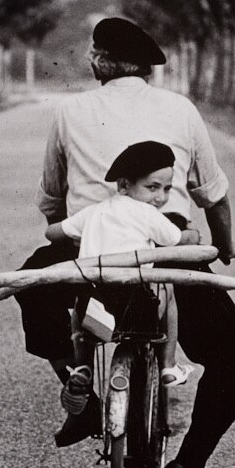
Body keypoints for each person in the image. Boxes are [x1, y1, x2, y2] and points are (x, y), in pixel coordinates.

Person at [16, 16, 235, 468]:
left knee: (34, 286)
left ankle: (80, 391)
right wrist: (222, 247)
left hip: (93, 254)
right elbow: (212, 192)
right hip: (167, 254)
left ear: (98, 62)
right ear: (148, 67)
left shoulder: (70, 110)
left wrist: (81, 229)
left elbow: (51, 203)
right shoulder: (181, 109)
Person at [44, 140, 197, 414]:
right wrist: (192, 236)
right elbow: (175, 240)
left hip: (96, 305)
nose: (160, 197)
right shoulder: (148, 214)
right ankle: (169, 365)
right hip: (139, 303)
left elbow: (52, 233)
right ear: (124, 185)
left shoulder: (93, 212)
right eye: (152, 187)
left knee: (81, 305)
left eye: (166, 189)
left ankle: (84, 367)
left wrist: (81, 234)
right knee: (168, 289)